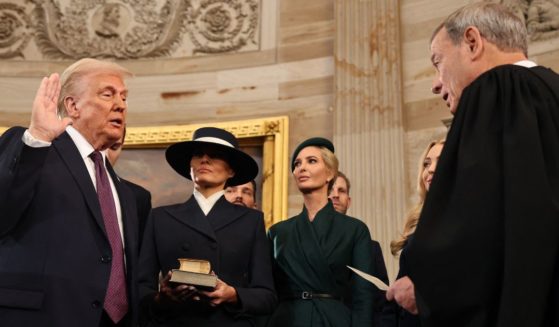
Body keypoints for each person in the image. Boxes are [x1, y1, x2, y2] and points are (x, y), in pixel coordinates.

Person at [390, 3, 559, 326]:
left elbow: (478, 216)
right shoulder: (552, 90)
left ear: (472, 42)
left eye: (438, 63)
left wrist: (428, 289)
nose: (436, 84)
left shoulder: (495, 89)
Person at [0, 58, 139, 327]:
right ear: (73, 106)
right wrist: (38, 136)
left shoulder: (121, 189)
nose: (120, 104)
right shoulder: (33, 147)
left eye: (123, 97)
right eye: (107, 94)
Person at [138, 127, 276, 326]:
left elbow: (266, 297)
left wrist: (232, 294)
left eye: (216, 155)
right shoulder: (160, 217)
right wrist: (162, 298)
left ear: (231, 170)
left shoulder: (251, 221)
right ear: (190, 166)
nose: (205, 159)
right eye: (198, 154)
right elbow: (141, 288)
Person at [267, 137, 376, 327]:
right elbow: (268, 292)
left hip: (334, 320)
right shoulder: (277, 232)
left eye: (311, 161)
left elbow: (364, 295)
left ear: (329, 173)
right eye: (297, 164)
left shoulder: (355, 230)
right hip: (287, 320)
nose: (302, 168)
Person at [383, 140, 444, 327]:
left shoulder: (468, 216)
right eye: (426, 164)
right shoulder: (420, 219)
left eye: (440, 161)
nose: (430, 170)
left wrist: (422, 295)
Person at [328, 171, 389, 327]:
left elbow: (381, 301)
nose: (335, 195)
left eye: (341, 191)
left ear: (348, 201)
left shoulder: (371, 248)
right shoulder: (306, 243)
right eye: (330, 190)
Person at [107, 127, 152, 243]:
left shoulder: (140, 197)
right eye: (99, 146)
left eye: (114, 147)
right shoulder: (65, 188)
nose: (105, 154)